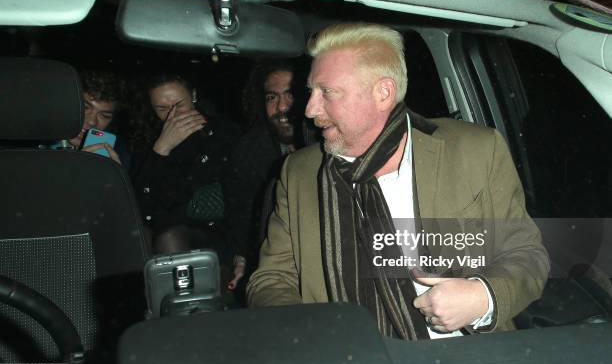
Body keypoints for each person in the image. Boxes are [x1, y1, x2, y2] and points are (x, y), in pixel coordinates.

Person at [246, 23, 550, 339]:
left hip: (467, 357)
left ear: (383, 92)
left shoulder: (476, 149)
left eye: (327, 92)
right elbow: (271, 279)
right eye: (311, 92)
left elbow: (526, 253)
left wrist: (482, 297)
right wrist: (311, 332)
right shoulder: (299, 173)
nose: (309, 110)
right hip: (349, 363)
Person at [129, 73, 237, 259]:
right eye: (162, 109)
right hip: (162, 228)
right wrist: (161, 150)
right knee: (139, 236)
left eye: (179, 104)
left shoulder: (224, 132)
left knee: (170, 237)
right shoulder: (148, 140)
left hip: (214, 231)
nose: (174, 115)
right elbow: (140, 207)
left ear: (193, 96)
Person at [223, 60, 305, 291]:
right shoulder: (249, 151)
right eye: (272, 97)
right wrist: (242, 257)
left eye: (290, 94)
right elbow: (241, 215)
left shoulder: (332, 145)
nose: (282, 107)